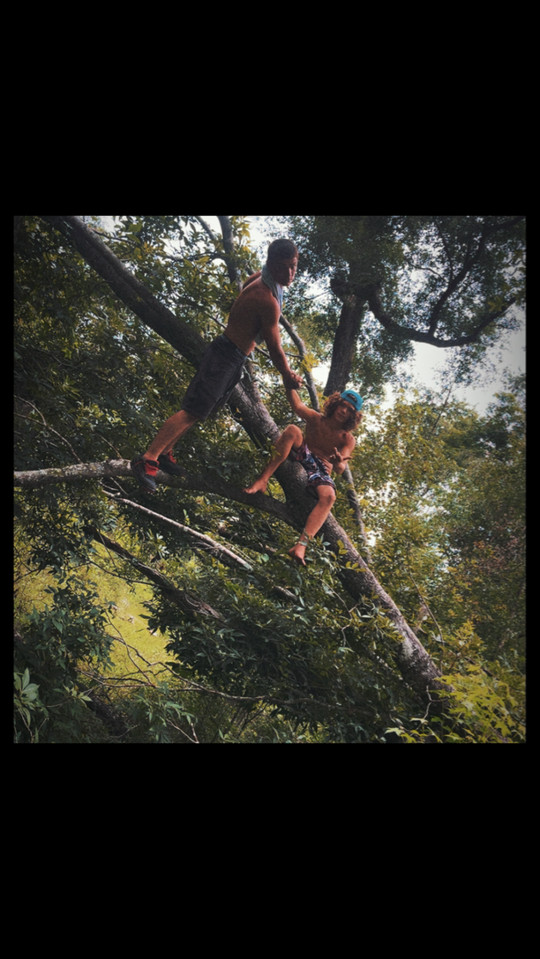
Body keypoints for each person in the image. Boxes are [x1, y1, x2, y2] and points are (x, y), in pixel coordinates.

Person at [131, 239, 303, 492]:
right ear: (271, 264)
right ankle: (148, 459)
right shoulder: (266, 299)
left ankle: (166, 452)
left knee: (200, 411)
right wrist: (287, 374)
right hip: (225, 356)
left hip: (232, 356)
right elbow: (275, 348)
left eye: (293, 266)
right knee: (191, 410)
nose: (289, 273)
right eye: (283, 267)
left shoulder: (263, 277)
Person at [244, 388, 364, 565]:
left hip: (320, 468)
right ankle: (262, 480)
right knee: (293, 430)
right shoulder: (317, 419)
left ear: (353, 416)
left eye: (349, 410)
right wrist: (289, 383)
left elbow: (340, 468)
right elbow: (297, 405)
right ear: (336, 404)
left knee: (329, 496)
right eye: (342, 405)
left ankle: (301, 545)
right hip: (304, 452)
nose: (343, 411)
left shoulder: (347, 439)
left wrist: (338, 461)